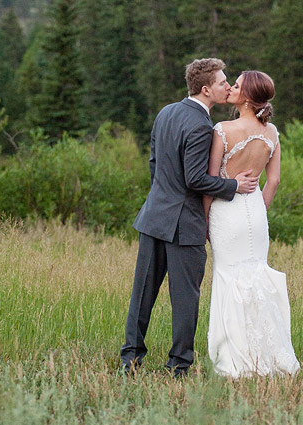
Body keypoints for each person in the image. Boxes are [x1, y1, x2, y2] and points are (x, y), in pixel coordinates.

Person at [120, 58, 259, 376]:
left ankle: (130, 359)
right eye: (224, 82)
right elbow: (195, 179)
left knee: (142, 293)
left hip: (154, 216)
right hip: (184, 224)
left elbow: (155, 164)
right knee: (184, 298)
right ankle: (179, 365)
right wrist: (234, 185)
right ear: (207, 89)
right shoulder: (201, 125)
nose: (228, 86)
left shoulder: (166, 112)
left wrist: (163, 196)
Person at [203, 70, 300, 377]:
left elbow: (210, 180)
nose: (231, 87)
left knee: (228, 276)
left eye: (236, 85)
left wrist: (204, 221)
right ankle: (270, 354)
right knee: (257, 276)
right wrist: (258, 208)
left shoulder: (223, 129)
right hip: (255, 215)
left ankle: (236, 359)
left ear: (245, 96)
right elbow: (274, 181)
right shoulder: (272, 133)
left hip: (225, 212)